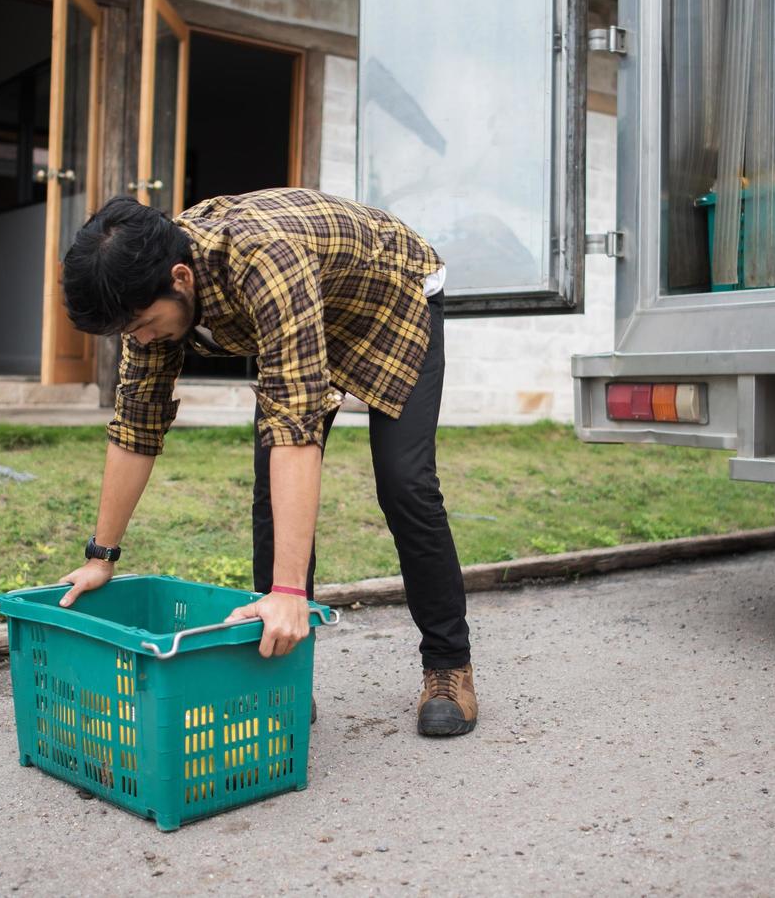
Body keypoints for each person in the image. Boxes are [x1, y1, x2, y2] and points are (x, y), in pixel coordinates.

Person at [55, 188, 477, 737]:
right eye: (125, 332)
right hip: (309, 305)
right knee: (269, 496)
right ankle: (282, 673)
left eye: (139, 323)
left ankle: (448, 666)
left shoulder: (265, 259)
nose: (138, 338)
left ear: (181, 278)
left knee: (405, 484)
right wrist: (100, 556)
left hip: (391, 296)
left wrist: (290, 591)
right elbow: (136, 423)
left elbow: (295, 430)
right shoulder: (144, 287)